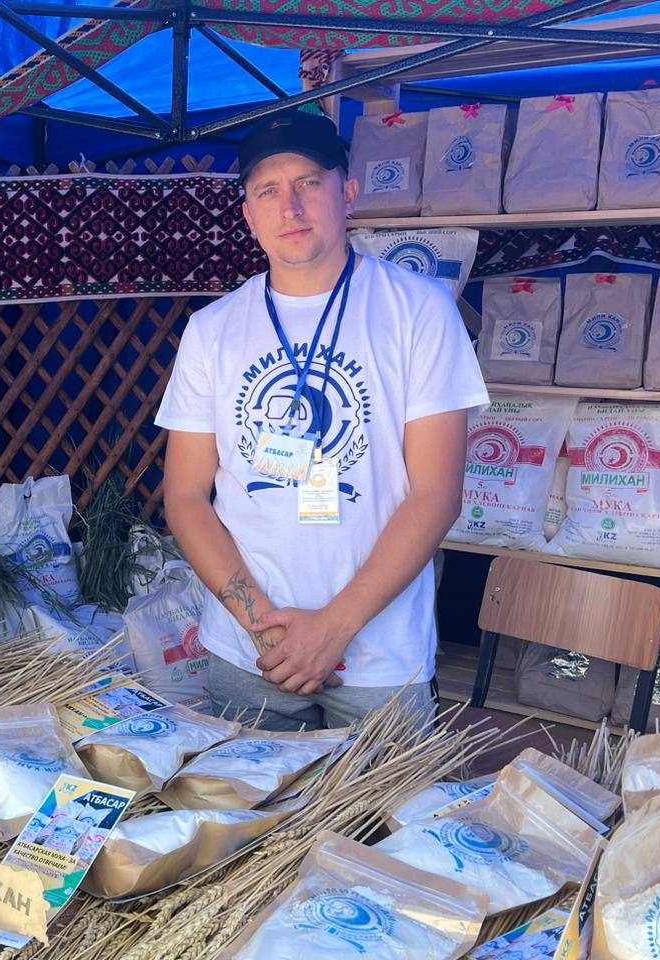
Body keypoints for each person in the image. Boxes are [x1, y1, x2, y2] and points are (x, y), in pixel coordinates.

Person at [156, 110, 488, 731]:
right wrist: (263, 626)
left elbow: (436, 493)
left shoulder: (420, 311)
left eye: (310, 182)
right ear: (249, 214)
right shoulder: (213, 330)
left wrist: (331, 630)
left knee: (374, 827)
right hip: (249, 653)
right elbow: (186, 496)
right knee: (251, 824)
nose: (291, 206)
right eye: (268, 191)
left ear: (348, 192)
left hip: (378, 662)